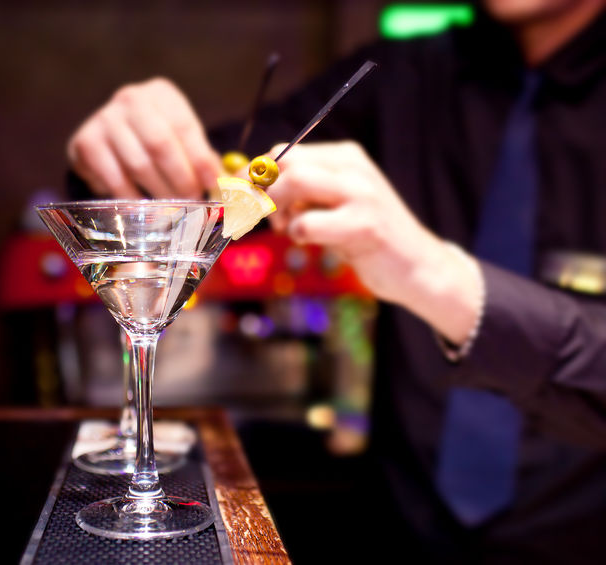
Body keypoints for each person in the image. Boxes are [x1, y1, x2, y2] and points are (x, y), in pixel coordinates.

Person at [66, 0, 606, 562]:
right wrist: (123, 156)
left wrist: (436, 276)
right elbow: (207, 193)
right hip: (397, 530)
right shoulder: (402, 76)